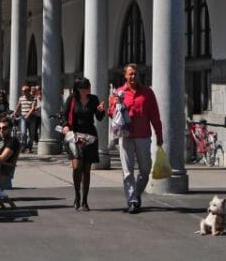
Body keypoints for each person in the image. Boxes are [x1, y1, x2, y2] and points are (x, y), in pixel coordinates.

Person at [109, 63, 163, 214]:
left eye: (135, 74)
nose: (133, 76)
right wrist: (115, 106)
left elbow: (155, 115)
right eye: (130, 74)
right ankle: (132, 199)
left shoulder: (147, 93)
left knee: (145, 170)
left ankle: (137, 193)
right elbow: (112, 114)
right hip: (125, 136)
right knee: (127, 171)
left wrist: (159, 134)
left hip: (143, 135)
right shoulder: (119, 92)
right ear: (125, 75)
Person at [62, 77, 106, 211]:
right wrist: (65, 127)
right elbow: (64, 116)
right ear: (79, 89)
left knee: (86, 170)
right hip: (75, 136)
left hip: (90, 137)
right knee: (76, 167)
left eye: (89, 86)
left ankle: (85, 201)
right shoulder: (71, 99)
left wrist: (101, 110)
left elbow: (99, 117)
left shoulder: (93, 99)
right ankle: (77, 195)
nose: (89, 89)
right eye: (86, 87)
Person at [13, 84, 38, 153]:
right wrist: (14, 113)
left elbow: (33, 108)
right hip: (23, 117)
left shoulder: (34, 98)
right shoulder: (21, 98)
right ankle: (24, 147)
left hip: (32, 117)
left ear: (28, 91)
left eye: (24, 91)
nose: (23, 92)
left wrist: (28, 114)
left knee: (31, 134)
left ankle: (29, 148)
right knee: (23, 133)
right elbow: (18, 106)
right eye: (22, 91)